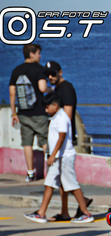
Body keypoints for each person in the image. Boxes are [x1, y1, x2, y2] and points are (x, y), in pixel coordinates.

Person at [23, 93, 93, 224]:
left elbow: (61, 137)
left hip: (64, 157)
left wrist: (53, 155)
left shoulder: (61, 117)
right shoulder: (56, 117)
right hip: (58, 157)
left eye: (47, 107)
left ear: (55, 105)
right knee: (50, 183)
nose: (45, 110)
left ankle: (85, 213)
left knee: (71, 184)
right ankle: (41, 213)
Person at [44, 60, 92, 221]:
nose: (50, 77)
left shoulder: (67, 89)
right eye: (47, 75)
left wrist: (61, 143)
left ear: (60, 72)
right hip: (61, 140)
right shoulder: (58, 89)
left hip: (65, 141)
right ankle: (65, 211)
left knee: (68, 178)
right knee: (64, 179)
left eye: (53, 73)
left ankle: (83, 208)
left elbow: (67, 118)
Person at [9, 43, 49, 182]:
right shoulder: (40, 69)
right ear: (32, 54)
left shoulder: (16, 70)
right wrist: (51, 90)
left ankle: (30, 173)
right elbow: (42, 88)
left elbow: (12, 93)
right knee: (45, 141)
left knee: (27, 143)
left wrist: (14, 113)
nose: (40, 55)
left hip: (23, 113)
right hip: (39, 112)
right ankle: (51, 170)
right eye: (38, 53)